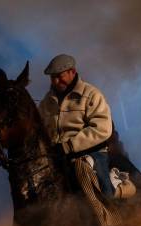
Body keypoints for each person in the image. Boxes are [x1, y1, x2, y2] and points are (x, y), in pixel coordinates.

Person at [38, 54, 116, 201]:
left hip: (92, 154)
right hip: (57, 156)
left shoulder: (91, 94)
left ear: (72, 72)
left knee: (102, 190)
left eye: (59, 76)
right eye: (52, 77)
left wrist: (68, 146)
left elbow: (102, 129)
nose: (55, 81)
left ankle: (114, 217)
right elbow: (39, 128)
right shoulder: (46, 102)